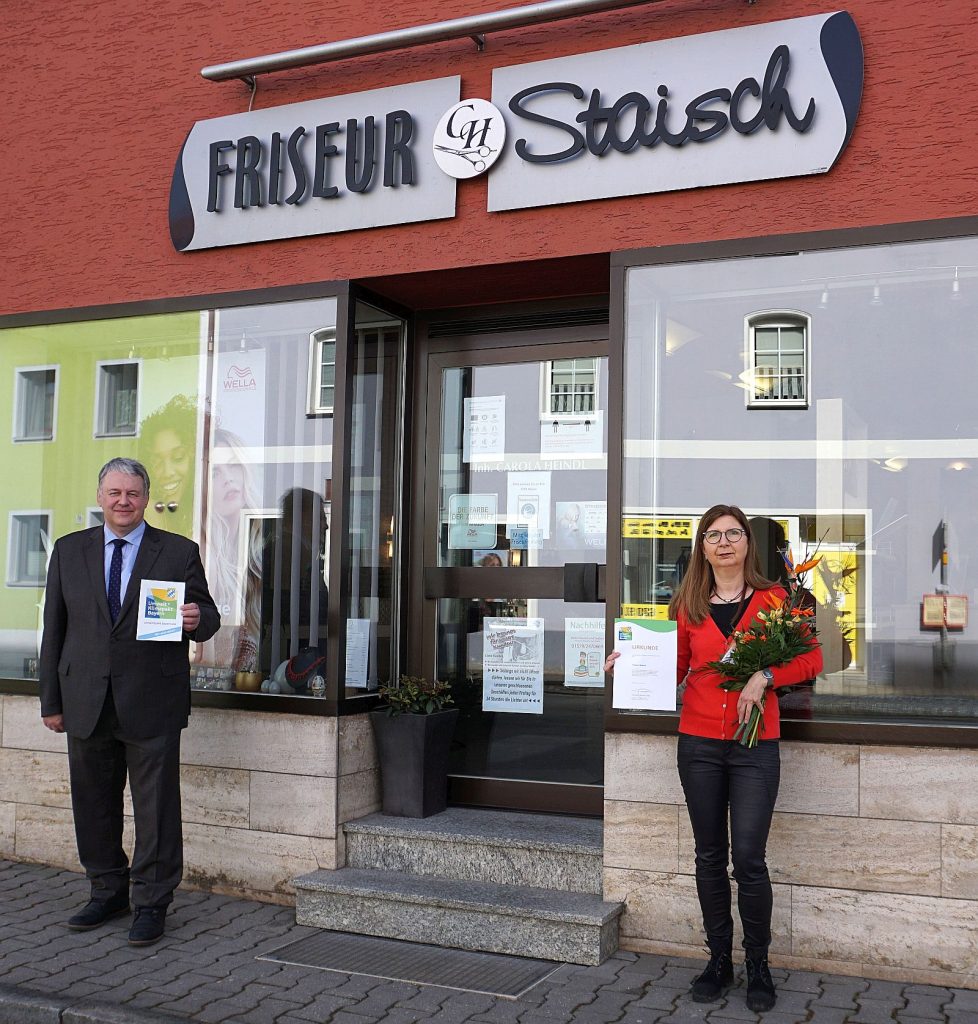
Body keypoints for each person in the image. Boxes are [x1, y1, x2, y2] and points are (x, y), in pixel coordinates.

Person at [605, 504, 821, 1012]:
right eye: (713, 535)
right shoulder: (689, 603)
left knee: (748, 858)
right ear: (702, 546)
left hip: (754, 747)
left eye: (733, 533)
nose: (723, 542)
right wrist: (630, 663)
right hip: (699, 744)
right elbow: (676, 666)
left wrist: (765, 675)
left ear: (748, 543)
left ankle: (759, 964)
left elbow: (810, 656)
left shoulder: (776, 600)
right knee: (708, 856)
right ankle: (719, 959)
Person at [39, 457, 220, 946]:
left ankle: (152, 902)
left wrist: (193, 618)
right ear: (100, 497)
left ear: (145, 498)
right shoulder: (69, 550)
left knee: (156, 808)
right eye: (114, 493)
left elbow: (209, 616)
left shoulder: (178, 551)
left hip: (151, 700)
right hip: (85, 699)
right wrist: (50, 702)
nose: (123, 501)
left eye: (133, 493)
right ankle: (106, 891)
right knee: (93, 803)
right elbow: (54, 629)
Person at [196, 428, 262, 672]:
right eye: (215, 472)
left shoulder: (264, 541)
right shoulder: (200, 551)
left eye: (234, 466)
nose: (229, 479)